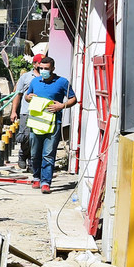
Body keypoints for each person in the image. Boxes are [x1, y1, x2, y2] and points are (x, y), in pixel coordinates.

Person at [23, 55, 77, 194]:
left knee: (48, 154)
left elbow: (73, 99)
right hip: (36, 123)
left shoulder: (62, 82)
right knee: (35, 153)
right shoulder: (35, 82)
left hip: (53, 124)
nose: (43, 71)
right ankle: (36, 177)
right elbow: (27, 96)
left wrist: (62, 106)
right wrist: (28, 97)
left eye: (46, 69)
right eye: (41, 68)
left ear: (53, 69)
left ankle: (46, 182)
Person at [10, 53, 43, 170]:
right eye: (40, 62)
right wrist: (14, 111)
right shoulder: (26, 77)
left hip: (41, 113)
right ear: (34, 64)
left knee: (37, 138)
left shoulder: (47, 77)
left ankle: (32, 162)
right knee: (26, 137)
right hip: (26, 112)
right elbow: (17, 95)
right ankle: (23, 155)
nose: (42, 65)